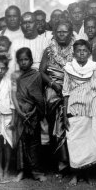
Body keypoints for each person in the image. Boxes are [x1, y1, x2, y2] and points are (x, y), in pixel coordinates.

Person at [63, 40, 96, 186]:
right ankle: (74, 174)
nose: (81, 53)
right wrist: (64, 114)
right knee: (73, 142)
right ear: (74, 53)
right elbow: (66, 92)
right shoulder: (68, 68)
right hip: (73, 110)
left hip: (89, 110)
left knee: (88, 144)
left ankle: (86, 174)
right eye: (78, 50)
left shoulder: (95, 68)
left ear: (89, 52)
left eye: (85, 50)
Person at [39, 20, 74, 175]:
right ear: (54, 33)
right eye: (58, 31)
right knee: (55, 124)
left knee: (71, 126)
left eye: (64, 31)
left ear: (70, 33)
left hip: (73, 89)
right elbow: (41, 72)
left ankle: (72, 162)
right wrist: (54, 85)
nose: (61, 34)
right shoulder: (48, 51)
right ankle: (59, 162)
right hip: (54, 90)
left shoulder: (77, 48)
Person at [13, 47, 47, 182]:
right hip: (19, 113)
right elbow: (13, 95)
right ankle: (21, 171)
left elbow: (39, 97)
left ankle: (36, 171)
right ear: (17, 61)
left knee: (34, 143)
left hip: (33, 114)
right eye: (20, 60)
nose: (23, 62)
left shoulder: (37, 75)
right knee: (21, 143)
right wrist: (20, 112)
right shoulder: (15, 75)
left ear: (32, 61)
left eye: (26, 59)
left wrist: (33, 112)